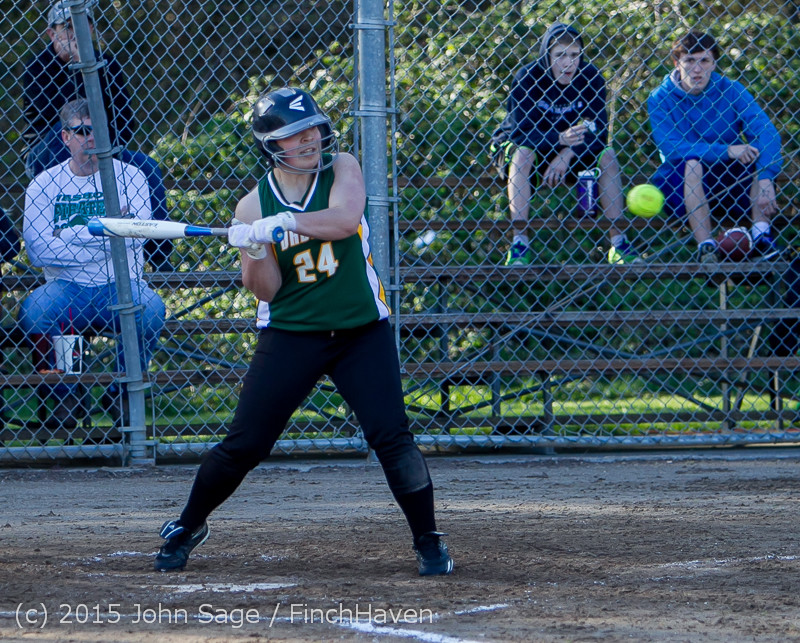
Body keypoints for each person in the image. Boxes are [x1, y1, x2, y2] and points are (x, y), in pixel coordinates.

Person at [153, 87, 454, 577]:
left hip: (361, 331)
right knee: (245, 444)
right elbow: (266, 290)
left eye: (312, 126)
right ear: (272, 145)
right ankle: (188, 525)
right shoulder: (252, 207)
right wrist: (252, 246)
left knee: (391, 436)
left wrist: (284, 223)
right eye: (295, 133)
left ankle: (428, 539)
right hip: (292, 334)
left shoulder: (343, 168)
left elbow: (344, 220)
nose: (310, 137)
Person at [19, 99, 166, 429]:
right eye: (83, 131)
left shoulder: (131, 176)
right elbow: (37, 250)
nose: (92, 139)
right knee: (36, 311)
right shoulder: (44, 184)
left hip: (122, 286)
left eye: (98, 130)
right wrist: (106, 237)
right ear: (65, 137)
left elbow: (136, 236)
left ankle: (122, 392)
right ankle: (67, 392)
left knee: (152, 310)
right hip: (66, 290)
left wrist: (67, 235)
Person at [22, 0, 171, 271]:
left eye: (83, 24)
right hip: (53, 147)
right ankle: (67, 250)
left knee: (147, 167)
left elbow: (125, 122)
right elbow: (53, 119)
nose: (76, 32)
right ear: (52, 34)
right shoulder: (37, 67)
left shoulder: (107, 63)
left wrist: (92, 68)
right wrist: (78, 72)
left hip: (103, 145)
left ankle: (158, 256)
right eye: (67, 27)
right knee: (67, 130)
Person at [501, 22, 637, 265]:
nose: (568, 63)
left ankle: (619, 244)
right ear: (547, 55)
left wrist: (568, 152)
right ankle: (519, 243)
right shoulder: (527, 77)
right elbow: (520, 133)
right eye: (560, 55)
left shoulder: (590, 76)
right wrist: (559, 139)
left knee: (607, 155)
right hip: (532, 150)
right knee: (522, 154)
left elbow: (599, 131)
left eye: (574, 55)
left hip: (574, 151)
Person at [647, 30, 783, 263]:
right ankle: (706, 248)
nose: (697, 69)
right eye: (690, 60)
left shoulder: (731, 90)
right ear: (676, 62)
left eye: (704, 61)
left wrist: (765, 177)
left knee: (754, 156)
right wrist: (726, 150)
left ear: (714, 63)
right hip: (682, 182)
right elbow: (672, 148)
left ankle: (762, 239)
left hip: (727, 180)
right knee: (692, 163)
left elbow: (766, 133)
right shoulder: (660, 97)